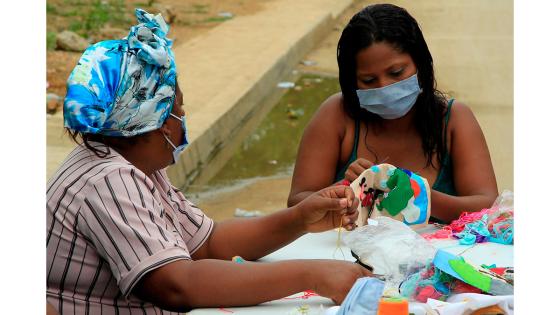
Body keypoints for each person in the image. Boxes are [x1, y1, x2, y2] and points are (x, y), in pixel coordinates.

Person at [47, 9, 371, 314]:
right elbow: (177, 285)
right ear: (156, 123)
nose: (183, 119)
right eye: (180, 109)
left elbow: (208, 243)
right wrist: (311, 274)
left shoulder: (138, 167)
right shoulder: (108, 179)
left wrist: (299, 219)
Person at [287, 4, 498, 223]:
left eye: (396, 72)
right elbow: (296, 204)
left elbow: (487, 207)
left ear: (421, 64)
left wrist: (415, 193)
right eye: (369, 81)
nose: (384, 87)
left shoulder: (453, 119)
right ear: (352, 83)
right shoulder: (337, 116)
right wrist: (347, 188)